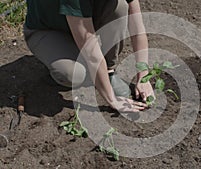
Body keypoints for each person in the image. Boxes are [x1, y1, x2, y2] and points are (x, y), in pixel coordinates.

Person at [23, 0, 154, 112]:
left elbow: (138, 29)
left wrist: (143, 77)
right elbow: (91, 52)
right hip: (49, 30)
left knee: (119, 7)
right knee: (74, 74)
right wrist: (112, 100)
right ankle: (60, 56)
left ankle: (108, 71)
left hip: (84, 19)